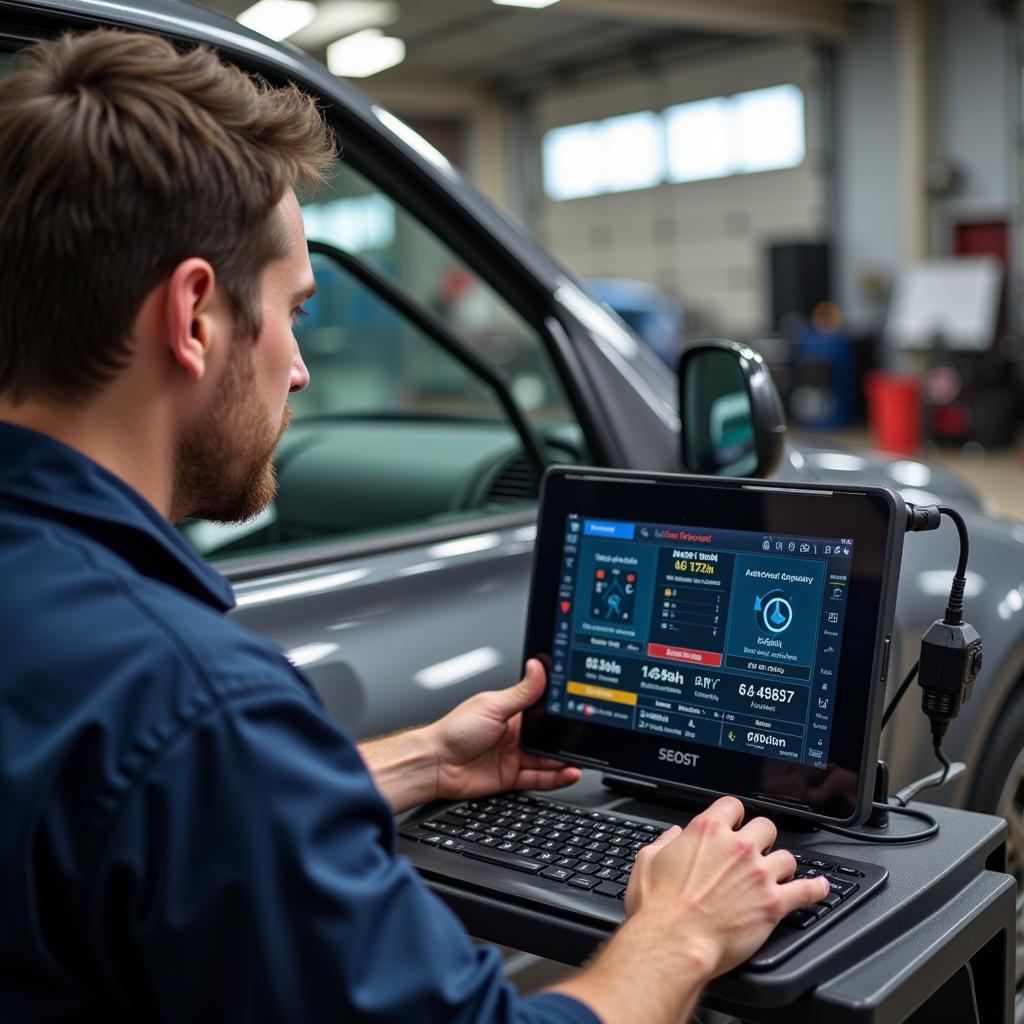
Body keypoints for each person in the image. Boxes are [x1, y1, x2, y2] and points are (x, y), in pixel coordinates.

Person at [0, 30, 829, 1024]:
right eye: (293, 312)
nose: (298, 368)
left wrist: (421, 760)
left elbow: (121, 821)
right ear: (194, 317)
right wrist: (679, 929)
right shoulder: (191, 705)